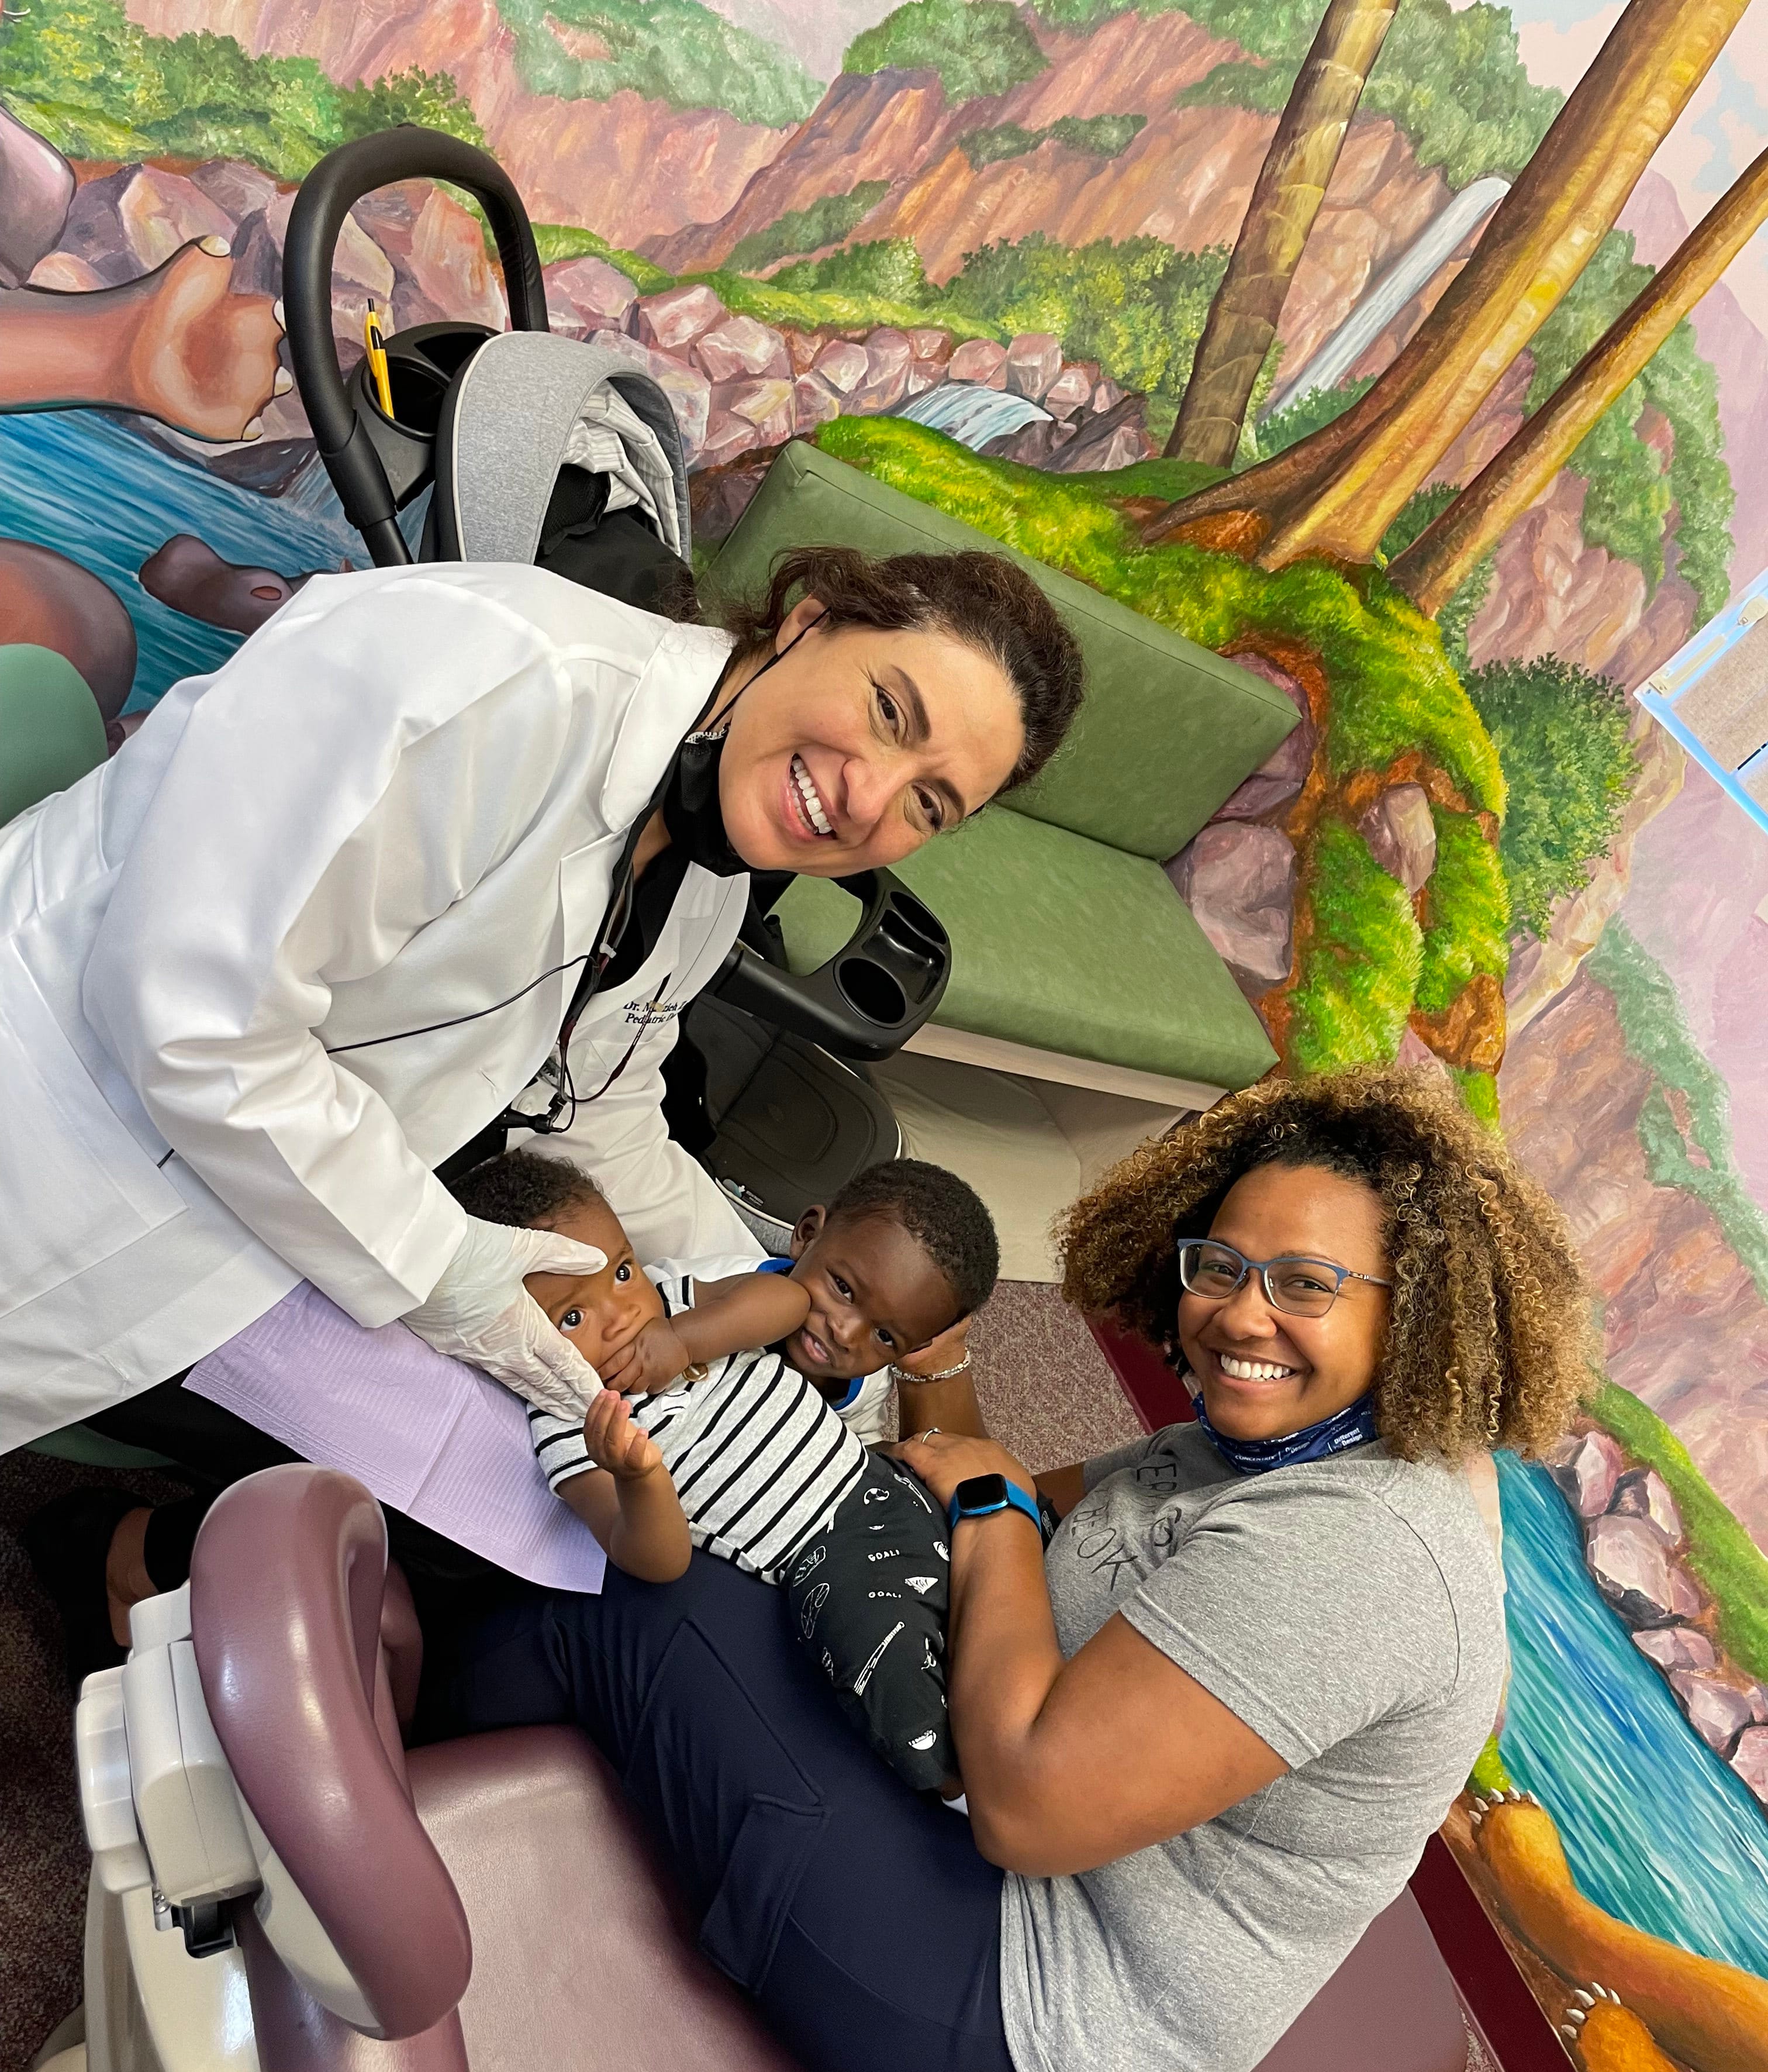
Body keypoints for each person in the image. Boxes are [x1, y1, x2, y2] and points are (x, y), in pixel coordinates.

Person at [5, 542, 1082, 1663]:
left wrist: (789, 1292)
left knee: (543, 1517)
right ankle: (125, 1557)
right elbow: (190, 1015)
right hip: (81, 1144)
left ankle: (146, 1553)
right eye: (888, 710)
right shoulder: (489, 673)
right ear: (806, 621)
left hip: (287, 1185)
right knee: (486, 1530)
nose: (866, 796)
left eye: (927, 802)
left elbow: (599, 1103)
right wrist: (441, 1270)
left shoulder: (706, 875)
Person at [445, 1066, 1596, 2072]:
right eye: (1222, 1265)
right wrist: (929, 1348)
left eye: (1305, 1284)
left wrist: (987, 1505)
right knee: (791, 1524)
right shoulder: (1257, 1444)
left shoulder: (1359, 1553)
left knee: (645, 1588)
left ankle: (391, 1758)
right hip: (999, 1795)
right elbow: (1002, 1502)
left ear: (1420, 1316)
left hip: (1015, 1991)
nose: (1244, 1314)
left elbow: (1026, 1794)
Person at [458, 1147, 1001, 1792]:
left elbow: (782, 1302)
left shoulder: (675, 1302)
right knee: (896, 1676)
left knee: (987, 1570)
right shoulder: (571, 1427)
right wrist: (640, 1477)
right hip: (822, 1554)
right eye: (572, 1317)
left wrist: (686, 1339)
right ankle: (969, 1786)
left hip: (876, 1484)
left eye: (624, 1271)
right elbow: (656, 1560)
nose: (624, 1312)